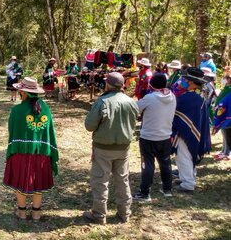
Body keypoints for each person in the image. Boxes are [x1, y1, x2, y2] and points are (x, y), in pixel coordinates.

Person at [83, 72, 138, 224]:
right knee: (123, 180)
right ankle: (124, 213)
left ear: (108, 84)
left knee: (100, 180)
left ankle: (99, 215)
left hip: (103, 148)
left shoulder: (102, 101)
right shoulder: (131, 101)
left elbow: (89, 126)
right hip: (124, 148)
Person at [3, 77, 58, 221]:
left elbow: (12, 129)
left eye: (21, 90)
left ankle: (21, 212)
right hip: (41, 153)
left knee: (20, 180)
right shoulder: (45, 109)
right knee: (38, 180)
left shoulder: (17, 110)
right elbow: (49, 131)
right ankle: (36, 213)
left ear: (24, 93)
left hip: (20, 152)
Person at [132, 73, 176, 202]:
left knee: (147, 164)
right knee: (166, 162)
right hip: (166, 136)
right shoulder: (172, 97)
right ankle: (167, 188)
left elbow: (136, 108)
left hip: (149, 137)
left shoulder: (150, 98)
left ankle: (145, 192)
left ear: (151, 84)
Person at [172, 67, 211, 194]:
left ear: (192, 82)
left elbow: (176, 109)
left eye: (185, 79)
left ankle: (188, 183)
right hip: (192, 130)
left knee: (183, 155)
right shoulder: (197, 95)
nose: (182, 80)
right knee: (188, 155)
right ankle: (188, 177)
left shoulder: (190, 97)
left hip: (186, 132)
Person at [213, 74, 231, 161]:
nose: (226, 80)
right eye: (226, 78)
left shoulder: (229, 89)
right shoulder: (227, 88)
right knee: (225, 134)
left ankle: (227, 153)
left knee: (228, 134)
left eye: (228, 78)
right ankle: (224, 151)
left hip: (227, 116)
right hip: (223, 114)